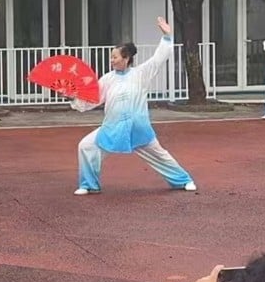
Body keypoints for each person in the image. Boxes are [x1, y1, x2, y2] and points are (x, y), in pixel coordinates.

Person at [70, 17, 197, 195]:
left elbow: (158, 59)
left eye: (115, 57)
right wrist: (75, 98)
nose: (111, 60)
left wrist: (167, 36)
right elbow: (93, 99)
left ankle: (184, 180)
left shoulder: (141, 74)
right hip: (112, 127)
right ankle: (89, 184)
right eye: (111, 57)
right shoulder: (107, 79)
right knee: (86, 146)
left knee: (160, 155)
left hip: (138, 127)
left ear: (126, 58)